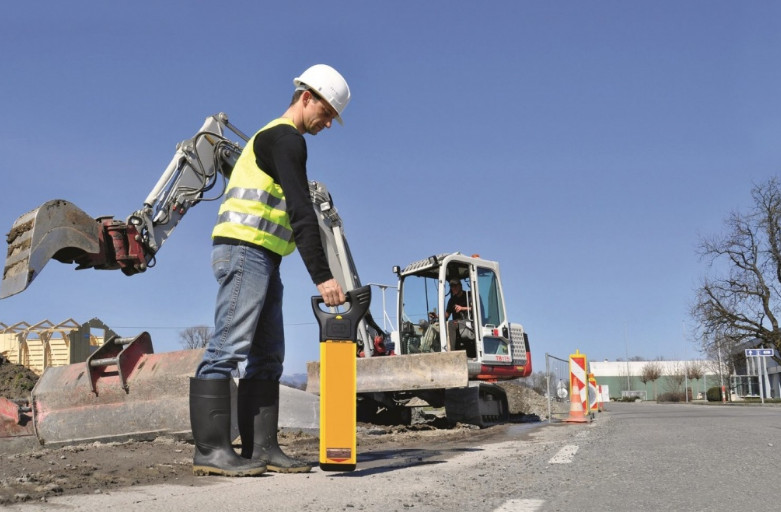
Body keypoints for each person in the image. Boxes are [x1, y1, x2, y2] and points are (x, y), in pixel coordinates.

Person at [189, 64, 351, 477]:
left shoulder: (275, 140)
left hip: (263, 257)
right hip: (245, 252)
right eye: (327, 112)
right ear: (306, 97)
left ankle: (262, 449)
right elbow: (301, 211)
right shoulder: (285, 139)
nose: (328, 123)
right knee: (227, 349)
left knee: (268, 359)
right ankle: (210, 451)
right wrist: (323, 275)